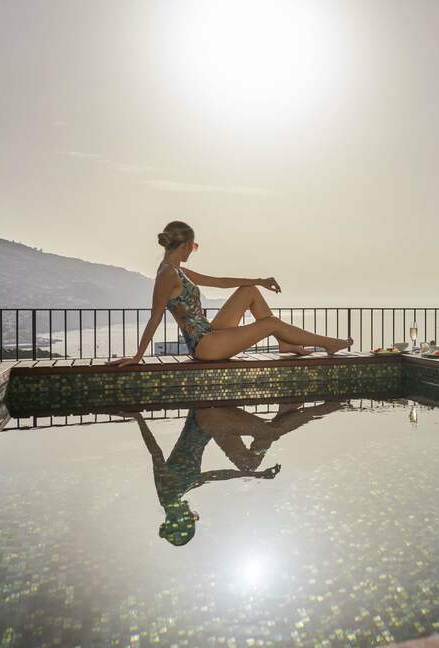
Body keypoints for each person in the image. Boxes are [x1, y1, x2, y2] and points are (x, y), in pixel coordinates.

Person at [107, 220, 352, 365]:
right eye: (192, 246)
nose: (192, 251)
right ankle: (327, 343)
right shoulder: (167, 275)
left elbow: (221, 282)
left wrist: (259, 280)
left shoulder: (177, 270)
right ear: (183, 246)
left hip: (210, 334)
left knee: (249, 291)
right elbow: (155, 316)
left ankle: (286, 345)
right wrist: (138, 355)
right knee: (271, 323)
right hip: (205, 346)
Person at [121, 401, 344, 546]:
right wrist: (254, 476)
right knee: (248, 465)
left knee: (272, 431)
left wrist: (139, 418)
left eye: (189, 517)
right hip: (211, 429)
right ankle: (287, 409)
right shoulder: (174, 495)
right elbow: (215, 476)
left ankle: (335, 405)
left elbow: (155, 452)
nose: (192, 512)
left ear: (179, 519)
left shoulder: (169, 491)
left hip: (206, 421)